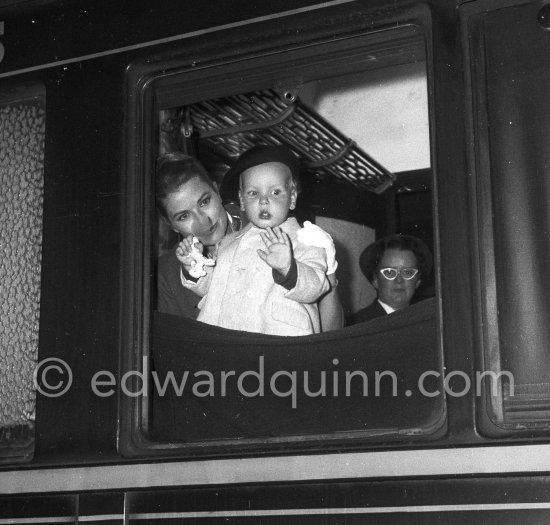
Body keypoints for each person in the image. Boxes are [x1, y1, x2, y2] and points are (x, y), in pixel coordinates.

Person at [155, 149, 343, 331]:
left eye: (204, 202)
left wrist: (330, 272)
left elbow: (330, 334)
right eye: (183, 216)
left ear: (216, 191)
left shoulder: (278, 228)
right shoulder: (167, 272)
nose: (203, 221)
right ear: (170, 224)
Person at [347, 234, 432, 325]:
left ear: (417, 282)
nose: (399, 280)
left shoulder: (427, 324)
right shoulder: (356, 325)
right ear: (375, 280)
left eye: (408, 273)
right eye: (389, 272)